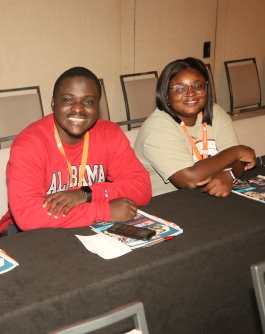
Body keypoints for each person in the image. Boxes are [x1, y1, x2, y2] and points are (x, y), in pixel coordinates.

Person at [0, 66, 152, 233]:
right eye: (68, 100)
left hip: (89, 227)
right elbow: (28, 215)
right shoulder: (30, 143)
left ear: (97, 106)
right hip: (37, 234)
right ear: (53, 103)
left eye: (88, 101)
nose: (78, 108)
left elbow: (142, 188)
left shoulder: (110, 133)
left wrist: (88, 193)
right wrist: (104, 210)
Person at [134, 57, 256, 197]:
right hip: (162, 204)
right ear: (166, 95)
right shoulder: (158, 128)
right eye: (179, 89)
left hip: (200, 198)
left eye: (198, 86)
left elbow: (239, 161)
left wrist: (230, 175)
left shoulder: (215, 112)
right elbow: (189, 179)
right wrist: (237, 151)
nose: (190, 93)